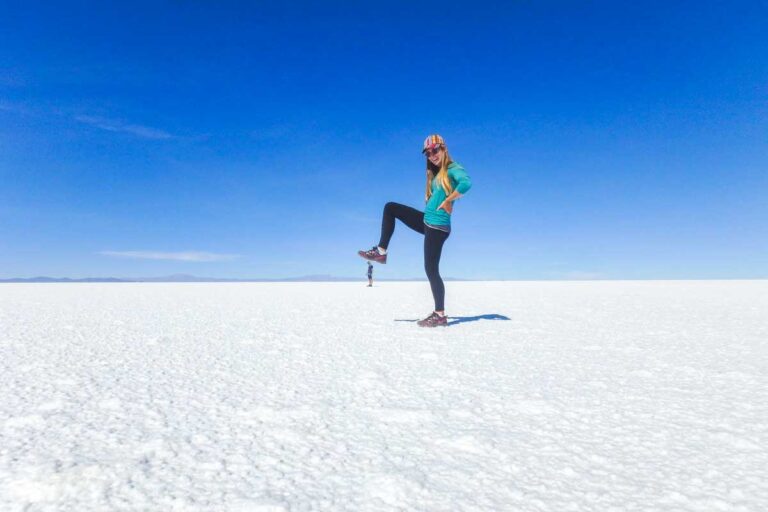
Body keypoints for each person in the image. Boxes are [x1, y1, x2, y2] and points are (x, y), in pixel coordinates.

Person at [358, 134, 472, 327]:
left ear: (443, 149)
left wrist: (449, 200)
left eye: (435, 150)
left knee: (431, 269)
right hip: (427, 221)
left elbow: (466, 183)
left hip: (437, 227)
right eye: (428, 153)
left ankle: (440, 314)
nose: (432, 155)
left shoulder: (452, 169)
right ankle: (381, 252)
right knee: (391, 207)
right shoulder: (434, 175)